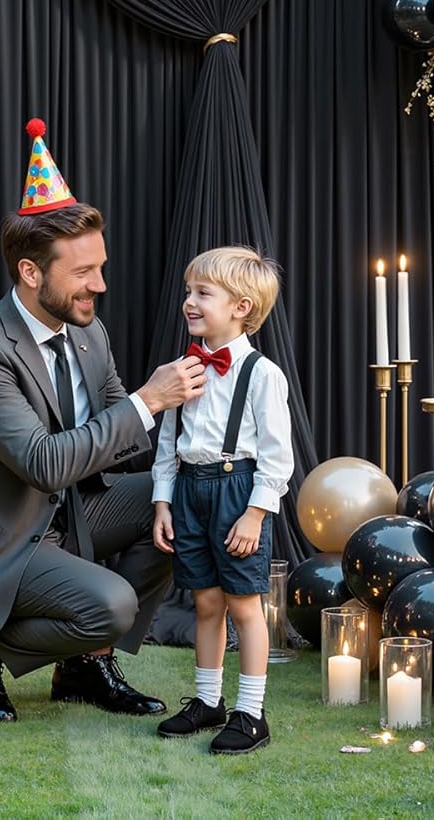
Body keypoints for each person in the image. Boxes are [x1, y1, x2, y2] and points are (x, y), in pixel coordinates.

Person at [0, 118, 208, 722]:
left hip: (72, 511)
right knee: (113, 604)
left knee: (185, 499)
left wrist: (205, 411)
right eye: (82, 273)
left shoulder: (87, 330)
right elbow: (44, 463)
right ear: (31, 273)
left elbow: (119, 431)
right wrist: (150, 400)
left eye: (100, 267)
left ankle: (84, 666)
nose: (99, 285)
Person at [150, 245, 294, 756]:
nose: (189, 302)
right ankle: (208, 701)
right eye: (188, 291)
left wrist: (255, 514)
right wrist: (163, 502)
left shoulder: (262, 374)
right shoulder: (181, 369)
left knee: (244, 605)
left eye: (203, 293)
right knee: (205, 602)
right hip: (189, 490)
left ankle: (251, 714)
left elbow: (277, 457)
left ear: (241, 307)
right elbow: (168, 443)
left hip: (238, 492)